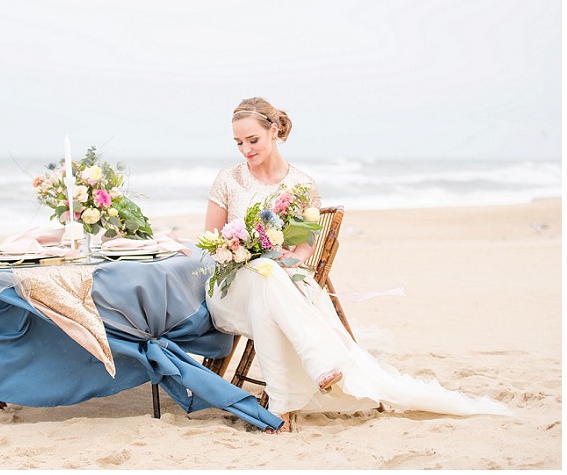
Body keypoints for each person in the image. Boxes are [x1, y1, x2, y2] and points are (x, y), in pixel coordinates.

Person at [204, 97, 511, 433]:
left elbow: (305, 246)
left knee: (270, 280)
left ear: (274, 131)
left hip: (278, 283)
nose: (245, 150)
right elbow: (212, 242)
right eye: (238, 143)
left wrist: (287, 263)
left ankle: (282, 404)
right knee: (265, 278)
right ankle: (316, 362)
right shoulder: (227, 179)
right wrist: (239, 250)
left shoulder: (301, 185)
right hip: (231, 290)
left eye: (253, 140)